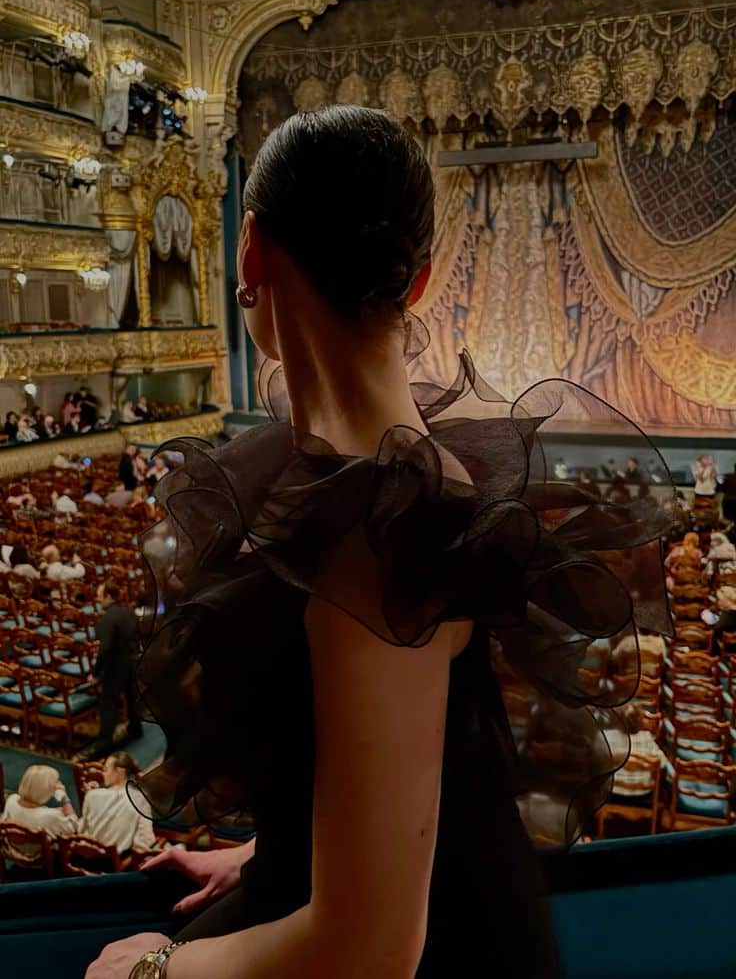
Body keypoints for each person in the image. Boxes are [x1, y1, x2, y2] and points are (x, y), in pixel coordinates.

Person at [86, 107, 672, 979]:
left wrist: (144, 974)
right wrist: (272, 856)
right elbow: (414, 763)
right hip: (405, 896)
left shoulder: (376, 529)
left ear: (249, 252)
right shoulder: (381, 484)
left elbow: (368, 950)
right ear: (422, 276)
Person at [85, 580, 142, 759]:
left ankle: (104, 744)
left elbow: (106, 648)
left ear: (109, 597)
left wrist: (95, 673)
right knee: (132, 697)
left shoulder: (108, 618)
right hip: (132, 661)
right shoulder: (129, 611)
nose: (97, 599)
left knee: (108, 703)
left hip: (116, 666)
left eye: (100, 596)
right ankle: (135, 728)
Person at [79, 753, 155, 854]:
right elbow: (145, 840)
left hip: (83, 856)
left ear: (120, 771)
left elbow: (81, 829)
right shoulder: (140, 799)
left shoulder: (92, 795)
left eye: (106, 770)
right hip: (114, 864)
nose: (103, 774)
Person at [1, 765, 77, 855]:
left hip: (14, 850)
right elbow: (74, 826)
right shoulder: (50, 816)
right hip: (39, 858)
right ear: (46, 789)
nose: (58, 785)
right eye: (56, 782)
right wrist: (64, 798)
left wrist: (54, 811)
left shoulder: (11, 800)